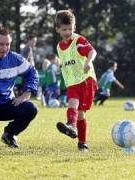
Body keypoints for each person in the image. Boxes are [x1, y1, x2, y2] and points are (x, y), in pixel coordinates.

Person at [54, 10, 98, 152]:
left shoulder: (78, 41)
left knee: (81, 113)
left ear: (74, 27)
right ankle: (71, 126)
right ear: (58, 29)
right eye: (64, 29)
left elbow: (92, 52)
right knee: (73, 103)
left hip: (86, 81)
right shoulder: (59, 47)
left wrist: (88, 62)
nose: (67, 32)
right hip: (72, 83)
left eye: (70, 29)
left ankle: (82, 142)